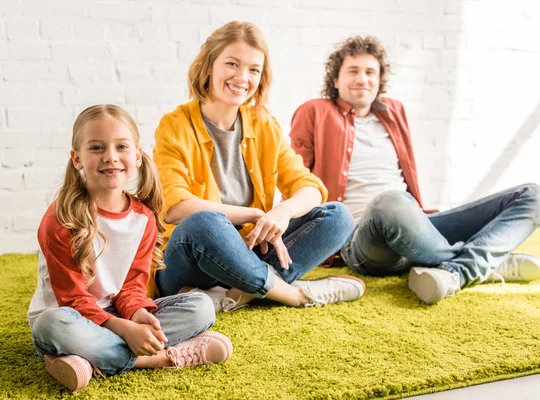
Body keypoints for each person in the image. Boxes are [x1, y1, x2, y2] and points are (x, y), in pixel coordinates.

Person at [289, 35, 540, 305]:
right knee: (390, 201)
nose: (362, 79)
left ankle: (459, 270)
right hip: (361, 239)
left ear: (379, 81)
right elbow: (297, 180)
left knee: (532, 195)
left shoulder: (393, 111)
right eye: (353, 71)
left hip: (414, 222)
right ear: (336, 80)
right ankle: (483, 263)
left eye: (370, 72)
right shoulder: (314, 111)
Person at [152, 21, 364, 313]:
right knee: (207, 222)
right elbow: (175, 207)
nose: (242, 77)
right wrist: (254, 214)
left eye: (253, 69)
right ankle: (293, 294)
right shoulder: (174, 125)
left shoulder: (264, 123)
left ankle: (236, 293)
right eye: (232, 64)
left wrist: (282, 212)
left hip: (247, 251)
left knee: (338, 216)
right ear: (209, 66)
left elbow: (310, 188)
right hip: (189, 260)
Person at [27, 105, 233, 392]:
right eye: (97, 148)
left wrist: (137, 315)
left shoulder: (144, 218)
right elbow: (72, 299)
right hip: (69, 315)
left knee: (201, 307)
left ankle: (88, 360)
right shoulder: (61, 219)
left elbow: (131, 288)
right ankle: (158, 358)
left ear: (137, 155)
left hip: (116, 313)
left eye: (121, 146)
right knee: (52, 325)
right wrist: (126, 330)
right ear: (77, 159)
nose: (110, 156)